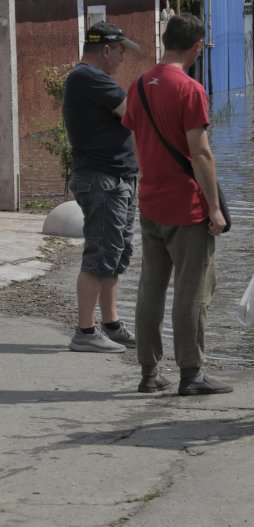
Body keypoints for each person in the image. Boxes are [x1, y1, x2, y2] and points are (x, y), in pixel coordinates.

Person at [121, 13, 232, 396]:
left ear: (165, 39)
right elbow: (200, 154)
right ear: (197, 46)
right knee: (192, 291)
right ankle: (191, 374)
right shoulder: (189, 89)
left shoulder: (138, 86)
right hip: (187, 206)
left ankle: (149, 372)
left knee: (150, 286)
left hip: (150, 201)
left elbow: (136, 143)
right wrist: (214, 208)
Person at [63, 22, 140, 356]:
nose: (124, 57)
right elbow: (133, 115)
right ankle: (85, 331)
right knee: (100, 253)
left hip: (116, 177)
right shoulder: (88, 77)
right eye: (121, 50)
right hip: (102, 179)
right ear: (106, 49)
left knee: (116, 252)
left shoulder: (92, 80)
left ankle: (110, 324)